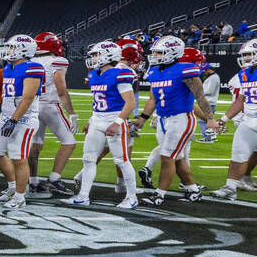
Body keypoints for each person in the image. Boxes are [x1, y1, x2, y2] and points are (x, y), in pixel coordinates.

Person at [132, 36, 215, 205]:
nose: (155, 56)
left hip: (181, 119)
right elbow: (152, 99)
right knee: (177, 158)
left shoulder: (185, 69)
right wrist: (143, 118)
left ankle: (159, 195)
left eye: (160, 52)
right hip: (163, 120)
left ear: (173, 52)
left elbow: (200, 96)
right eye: (155, 52)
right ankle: (193, 191)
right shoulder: (155, 72)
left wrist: (210, 119)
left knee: (167, 157)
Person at [66, 41, 140, 208]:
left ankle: (132, 197)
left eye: (96, 55)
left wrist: (117, 123)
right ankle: (83, 196)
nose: (93, 58)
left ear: (108, 55)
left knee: (122, 160)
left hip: (114, 119)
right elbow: (97, 103)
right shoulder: (94, 75)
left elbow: (130, 103)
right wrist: (91, 120)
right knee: (88, 159)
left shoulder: (120, 74)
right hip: (97, 120)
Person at [0, 34, 45, 209]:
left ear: (24, 50)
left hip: (23, 120)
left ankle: (20, 197)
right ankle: (13, 187)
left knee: (19, 158)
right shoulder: (8, 68)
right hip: (6, 117)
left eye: (13, 47)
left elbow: (27, 98)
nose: (9, 50)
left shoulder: (33, 68)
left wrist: (13, 121)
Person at [27, 32, 76, 197]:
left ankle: (33, 182)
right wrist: (72, 114)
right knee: (69, 142)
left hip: (33, 105)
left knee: (35, 146)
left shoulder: (30, 61)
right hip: (50, 106)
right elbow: (61, 90)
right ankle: (54, 179)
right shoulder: (57, 61)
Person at [209, 40, 257, 199]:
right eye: (244, 55)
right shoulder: (244, 74)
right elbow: (240, 101)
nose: (246, 58)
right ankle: (230, 188)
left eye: (249, 55)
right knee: (238, 154)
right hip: (249, 120)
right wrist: (224, 118)